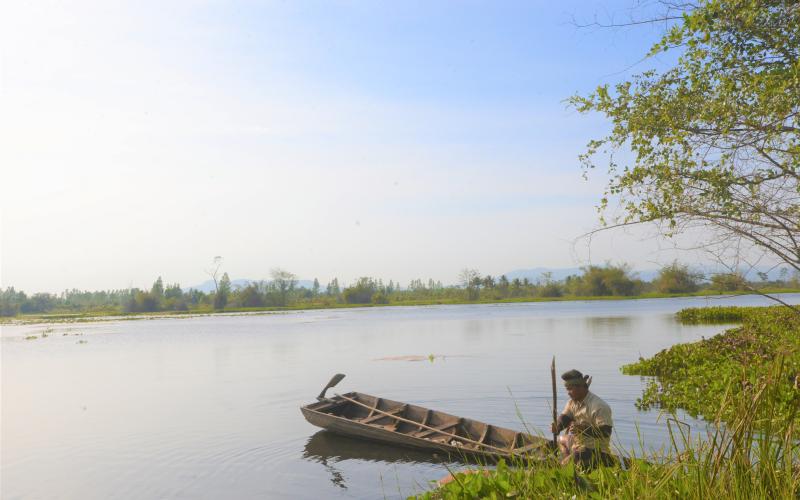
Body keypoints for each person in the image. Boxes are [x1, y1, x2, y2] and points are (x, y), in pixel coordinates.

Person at [550, 369, 615, 469]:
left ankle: (564, 465)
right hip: (578, 445)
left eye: (570, 389)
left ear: (581, 387)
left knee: (567, 463)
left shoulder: (599, 406)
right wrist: (557, 427)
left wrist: (582, 429)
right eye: (567, 389)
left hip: (595, 451)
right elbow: (565, 418)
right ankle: (567, 457)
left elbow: (606, 432)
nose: (568, 393)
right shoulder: (572, 403)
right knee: (561, 439)